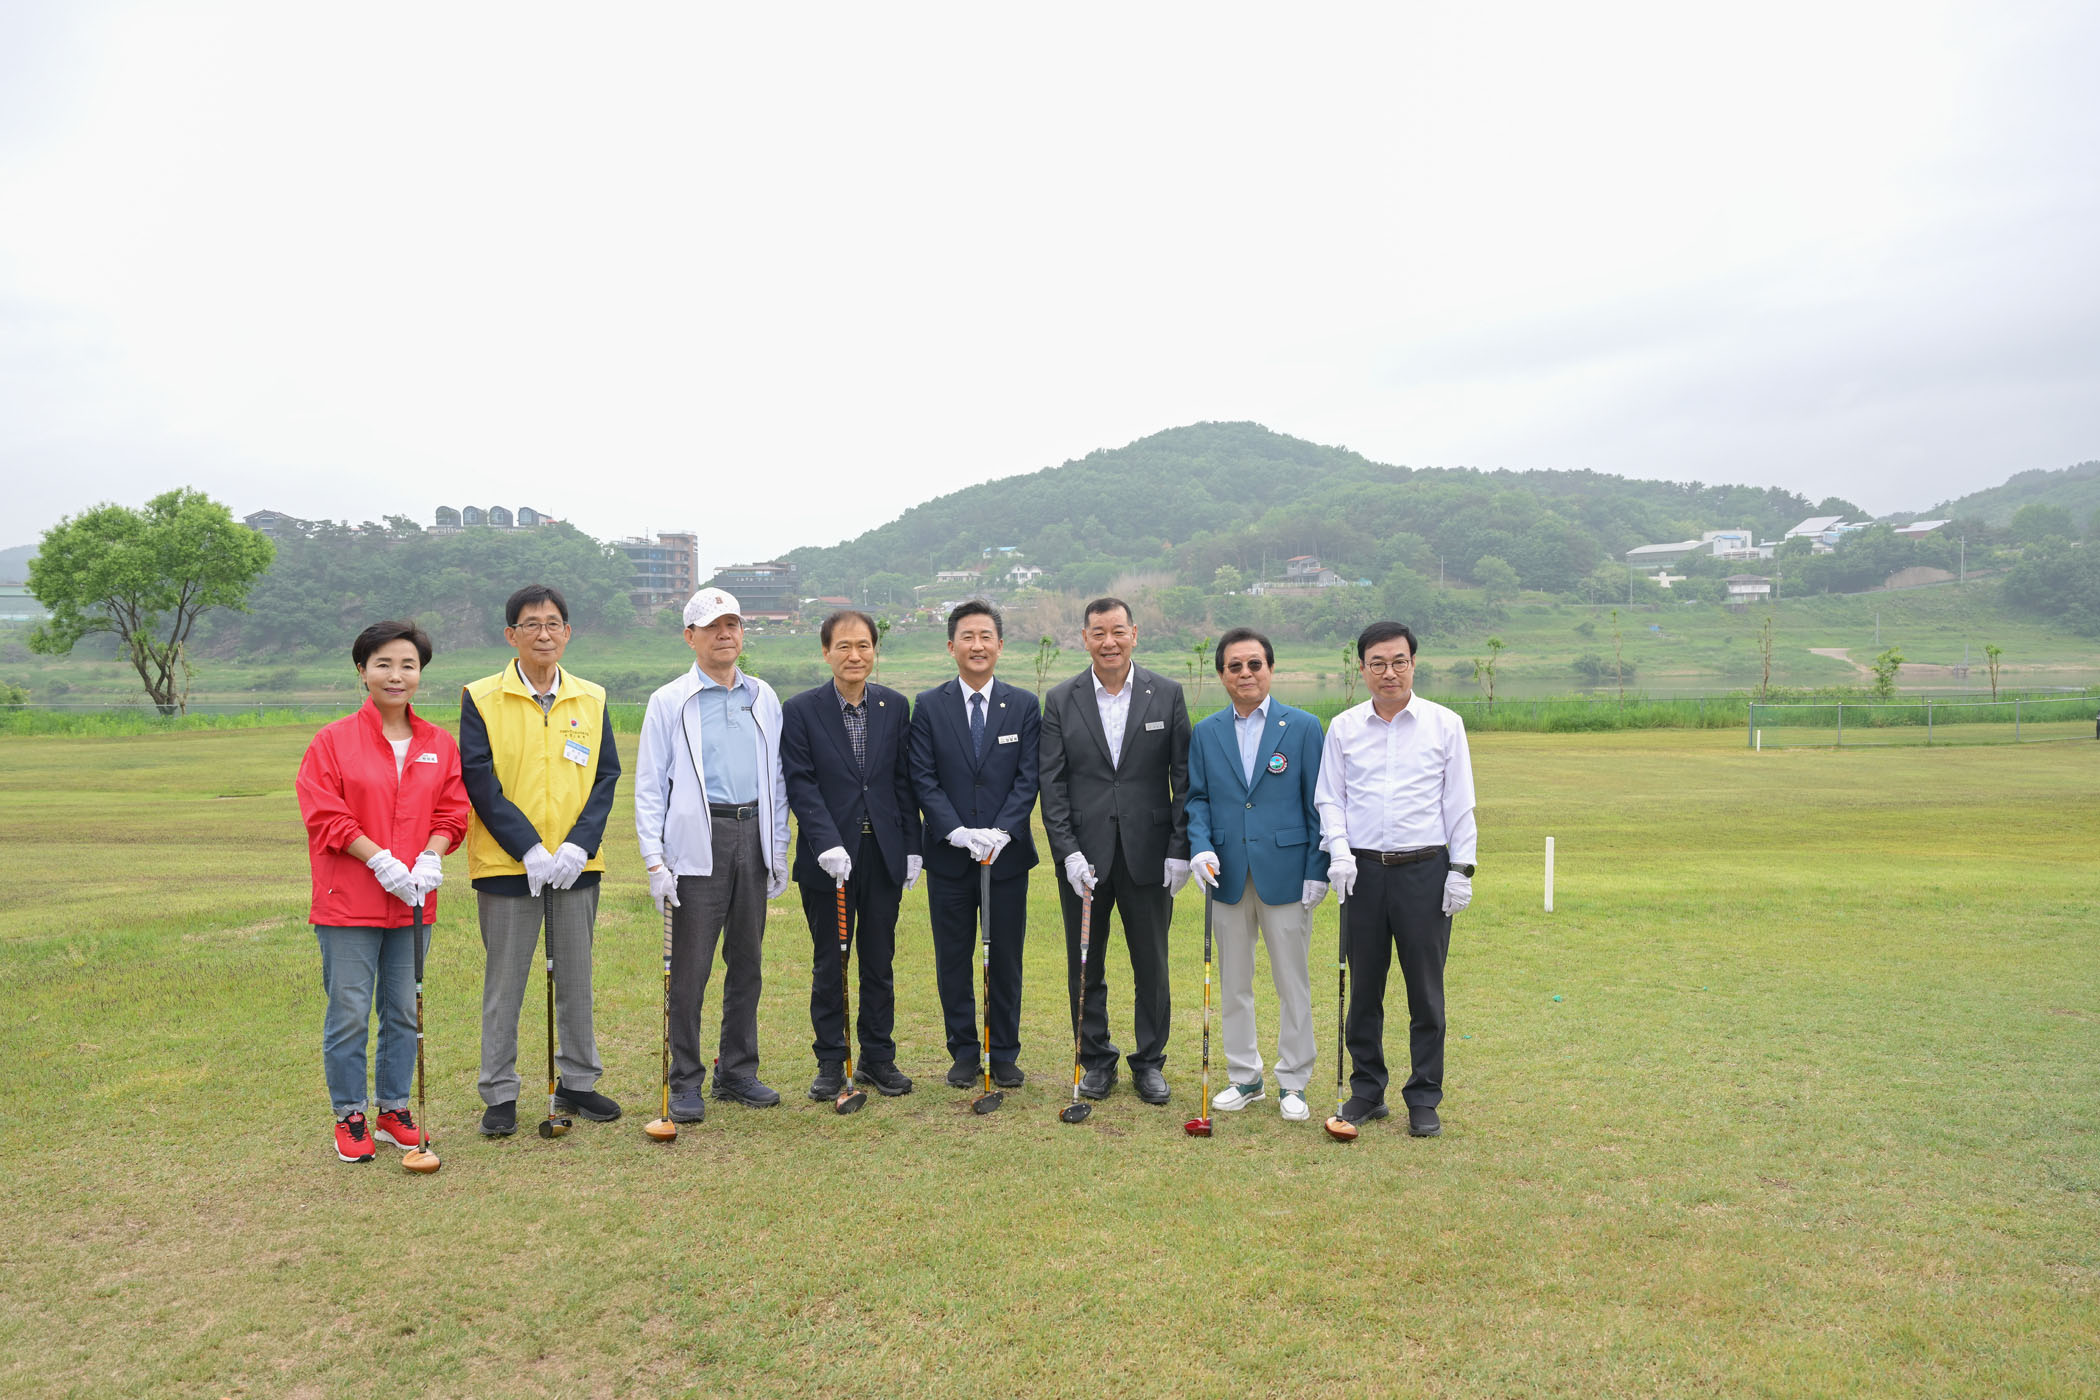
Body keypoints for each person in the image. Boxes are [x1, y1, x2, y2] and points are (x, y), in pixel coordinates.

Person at [296, 620, 470, 1163]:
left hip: (412, 899)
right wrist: (378, 859)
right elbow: (325, 814)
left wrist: (431, 855)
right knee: (349, 1011)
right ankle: (350, 1114)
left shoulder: (438, 743)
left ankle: (393, 1109)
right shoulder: (333, 741)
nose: (396, 675)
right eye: (384, 664)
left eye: (408, 665)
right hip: (348, 900)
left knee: (402, 1010)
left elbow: (452, 812)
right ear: (362, 670)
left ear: (420, 673)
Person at [460, 584, 623, 1137]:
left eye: (553, 623)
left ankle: (577, 1081)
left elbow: (605, 776)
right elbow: (479, 779)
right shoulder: (482, 697)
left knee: (576, 979)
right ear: (512, 635)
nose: (544, 633)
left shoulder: (591, 698)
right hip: (508, 867)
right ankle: (500, 1092)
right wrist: (527, 846)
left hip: (576, 865)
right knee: (505, 985)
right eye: (531, 624)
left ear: (567, 632)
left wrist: (578, 845)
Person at [1313, 621, 1477, 1137]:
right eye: (1378, 663)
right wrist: (1339, 852)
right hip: (1361, 872)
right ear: (1362, 669)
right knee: (1364, 989)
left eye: (1399, 661)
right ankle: (1367, 1090)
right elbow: (1330, 798)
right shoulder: (1343, 727)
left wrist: (1461, 870)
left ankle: (1424, 1096)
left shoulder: (1444, 724)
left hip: (1424, 871)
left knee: (1425, 991)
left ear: (1413, 663)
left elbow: (1459, 803)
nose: (1389, 672)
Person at [634, 587, 791, 1120]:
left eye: (733, 625)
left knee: (747, 962)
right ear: (690, 636)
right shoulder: (670, 700)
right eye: (712, 627)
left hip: (752, 834)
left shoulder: (762, 696)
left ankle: (737, 1071)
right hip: (698, 843)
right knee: (691, 968)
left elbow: (776, 779)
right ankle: (685, 1080)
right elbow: (650, 786)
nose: (725, 635)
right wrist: (654, 860)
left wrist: (777, 847)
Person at [1038, 596, 1192, 1104]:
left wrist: (1179, 848)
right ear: (1085, 638)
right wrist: (1067, 852)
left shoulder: (1166, 693)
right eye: (1099, 633)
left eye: (1118, 631)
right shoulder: (1061, 699)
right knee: (1086, 964)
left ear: (1134, 634)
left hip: (1150, 854)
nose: (1110, 642)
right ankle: (1096, 1059)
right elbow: (1052, 785)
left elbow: (1183, 779)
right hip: (1085, 859)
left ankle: (1150, 1061)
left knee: (1153, 964)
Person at [1185, 627, 1329, 1123]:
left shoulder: (1303, 727)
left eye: (1254, 664)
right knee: (1234, 982)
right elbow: (1197, 800)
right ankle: (1245, 1076)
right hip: (1226, 873)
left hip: (1286, 873)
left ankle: (1294, 1080)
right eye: (1235, 666)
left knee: (1293, 982)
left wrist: (1317, 870)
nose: (1245, 673)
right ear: (1221, 674)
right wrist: (1200, 847)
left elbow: (1318, 804)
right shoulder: (1206, 732)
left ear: (1270, 668)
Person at [780, 609, 922, 1101]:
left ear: (874, 651)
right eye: (843, 646)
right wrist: (825, 842)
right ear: (826, 652)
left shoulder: (893, 706)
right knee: (830, 961)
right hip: (828, 860)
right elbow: (801, 782)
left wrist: (912, 847)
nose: (854, 655)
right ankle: (831, 1060)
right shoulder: (801, 710)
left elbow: (903, 782)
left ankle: (877, 1058)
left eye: (863, 645)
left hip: (882, 854)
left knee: (879, 960)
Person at [908, 600, 1041, 1089]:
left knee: (1005, 958)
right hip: (949, 858)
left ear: (1000, 646)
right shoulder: (929, 705)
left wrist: (1002, 831)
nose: (977, 645)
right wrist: (957, 832)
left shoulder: (1023, 705)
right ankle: (964, 1051)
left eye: (986, 636)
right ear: (952, 646)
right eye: (967, 636)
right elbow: (923, 778)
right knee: (953, 958)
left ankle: (1003, 1051)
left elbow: (1028, 777)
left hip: (1006, 859)